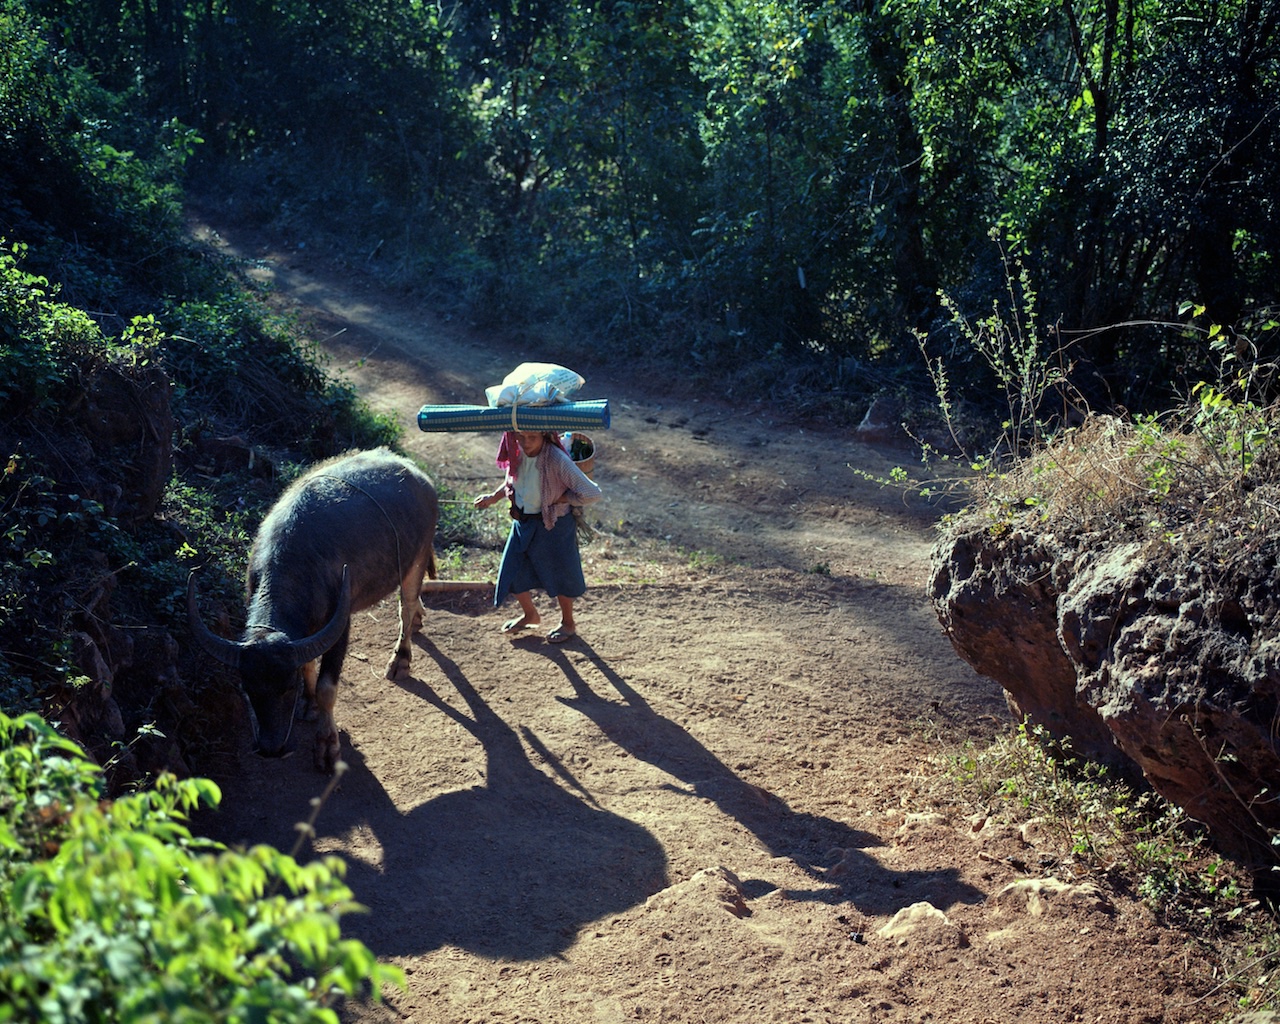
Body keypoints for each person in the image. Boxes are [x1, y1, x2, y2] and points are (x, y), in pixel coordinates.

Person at [474, 429, 603, 642]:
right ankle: (530, 615)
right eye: (520, 436)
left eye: (532, 437)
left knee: (560, 574)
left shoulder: (557, 459)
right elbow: (512, 481)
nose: (525, 442)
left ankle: (568, 623)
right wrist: (493, 498)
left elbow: (593, 493)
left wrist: (562, 499)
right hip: (523, 522)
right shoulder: (515, 451)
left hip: (554, 525)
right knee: (512, 571)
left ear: (544, 435)